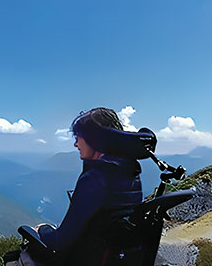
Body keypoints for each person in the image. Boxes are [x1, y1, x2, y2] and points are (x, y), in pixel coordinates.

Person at [37, 107, 143, 258]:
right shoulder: (131, 171)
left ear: (93, 139)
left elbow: (60, 241)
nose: (75, 144)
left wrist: (43, 229)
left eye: (78, 137)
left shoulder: (95, 178)